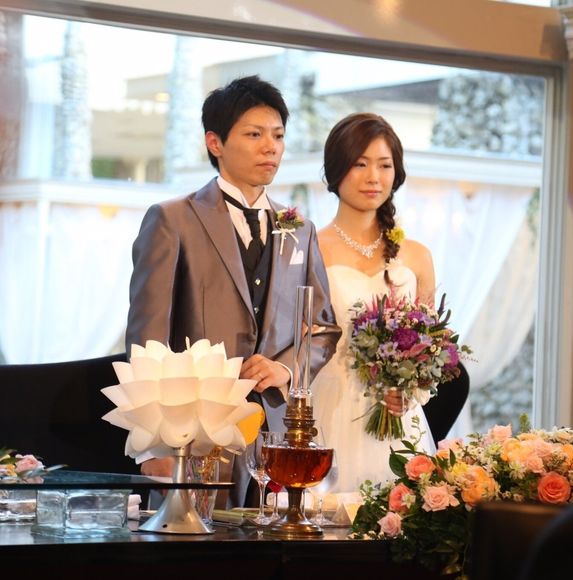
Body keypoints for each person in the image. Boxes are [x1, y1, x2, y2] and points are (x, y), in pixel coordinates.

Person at [125, 75, 341, 508]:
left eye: (278, 135)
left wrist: (286, 369)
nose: (270, 147)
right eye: (254, 134)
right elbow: (147, 342)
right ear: (215, 143)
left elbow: (323, 328)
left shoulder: (300, 229)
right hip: (194, 437)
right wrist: (152, 447)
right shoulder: (173, 219)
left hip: (276, 440)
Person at [311, 112, 438, 494]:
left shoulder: (417, 255)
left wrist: (411, 385)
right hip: (331, 406)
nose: (373, 177)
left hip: (398, 416)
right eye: (360, 164)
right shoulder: (310, 249)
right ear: (336, 170)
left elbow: (431, 347)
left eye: (384, 165)